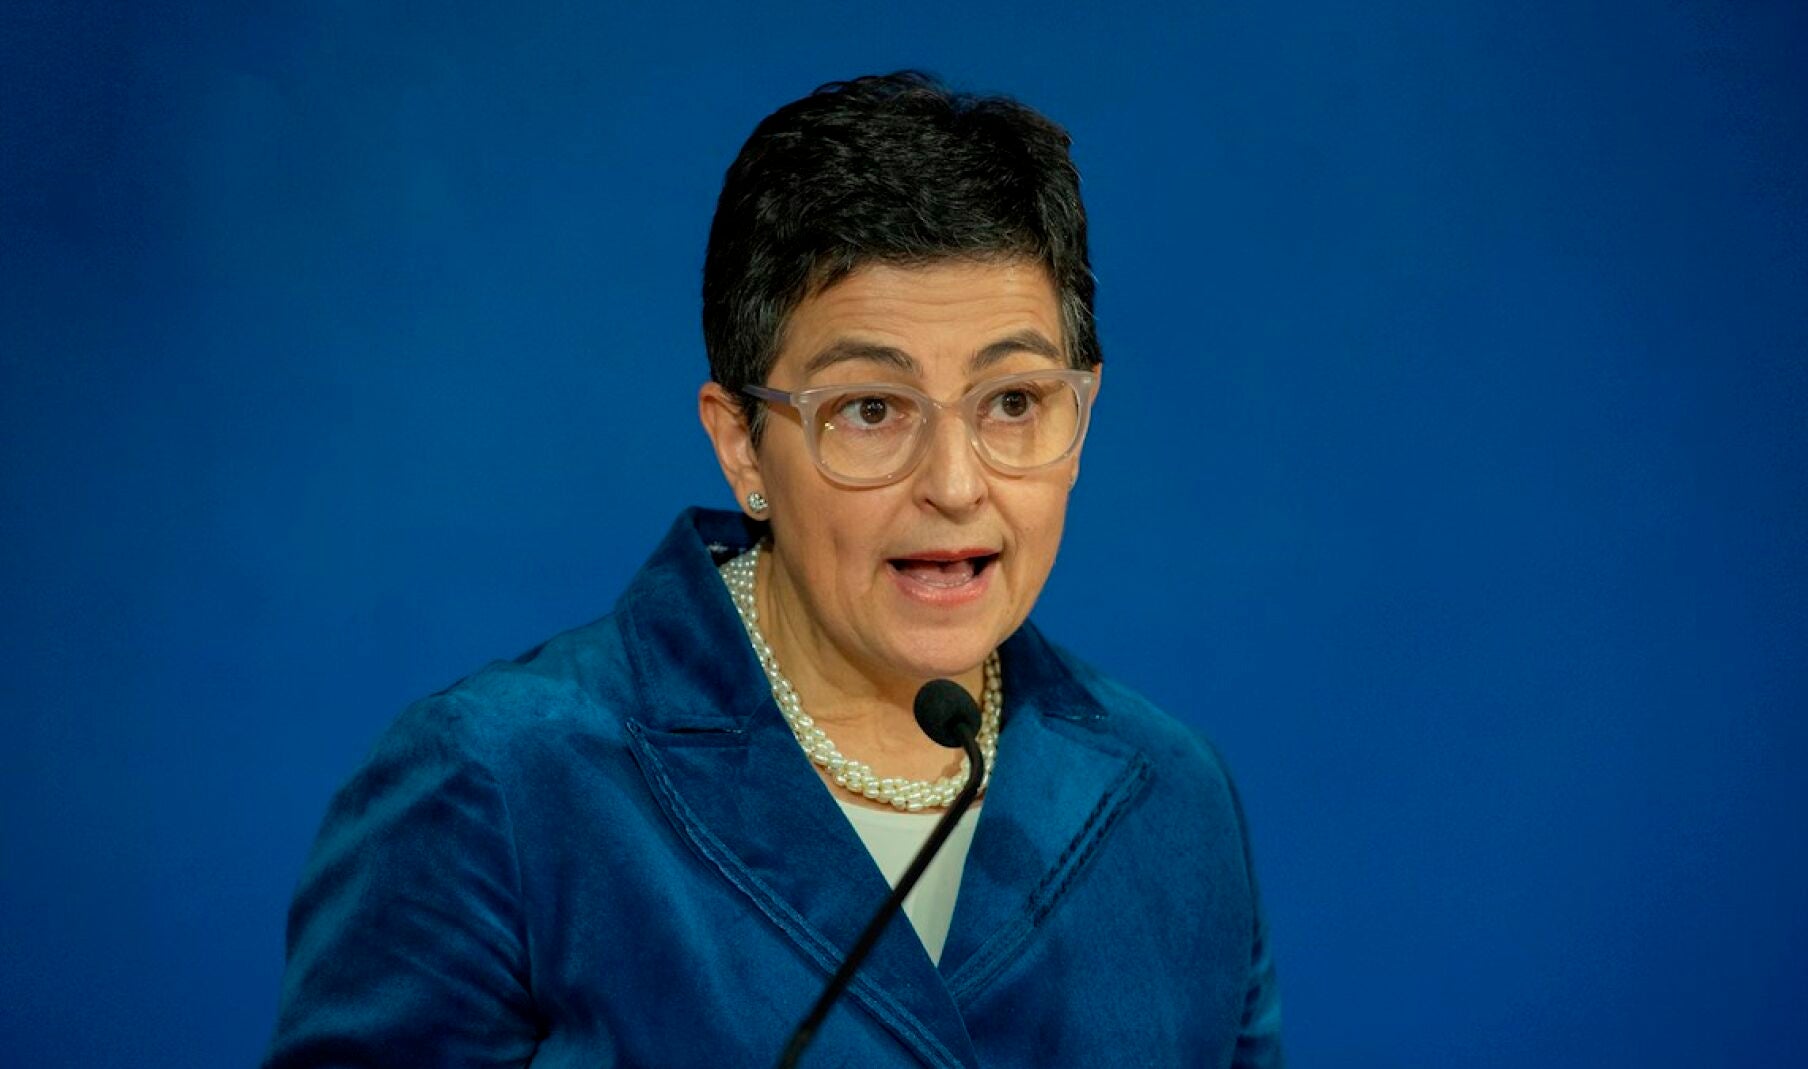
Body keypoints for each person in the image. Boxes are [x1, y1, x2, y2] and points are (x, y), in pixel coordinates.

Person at [263, 71, 1284, 1067]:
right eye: (871, 409)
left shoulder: (1174, 800)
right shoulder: (502, 787)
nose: (954, 484)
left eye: (1013, 402)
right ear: (742, 445)